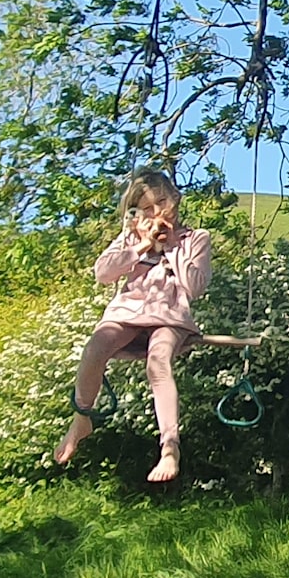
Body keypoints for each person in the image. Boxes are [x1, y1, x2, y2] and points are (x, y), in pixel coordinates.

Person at [55, 170, 214, 481]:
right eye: (146, 209)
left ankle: (170, 446)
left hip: (170, 316)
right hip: (127, 312)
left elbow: (194, 286)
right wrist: (140, 246)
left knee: (158, 362)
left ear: (175, 201)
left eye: (161, 203)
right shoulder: (131, 238)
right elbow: (103, 273)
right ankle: (82, 416)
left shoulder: (195, 238)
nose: (156, 213)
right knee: (95, 348)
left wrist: (169, 248)